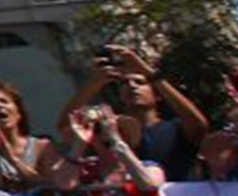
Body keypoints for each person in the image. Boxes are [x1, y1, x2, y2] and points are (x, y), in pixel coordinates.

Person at [59, 43, 208, 183]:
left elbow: (199, 124)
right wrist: (94, 84)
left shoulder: (176, 129)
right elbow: (66, 126)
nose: (131, 86)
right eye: (124, 83)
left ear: (157, 94)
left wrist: (148, 72)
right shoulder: (112, 132)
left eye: (140, 82)